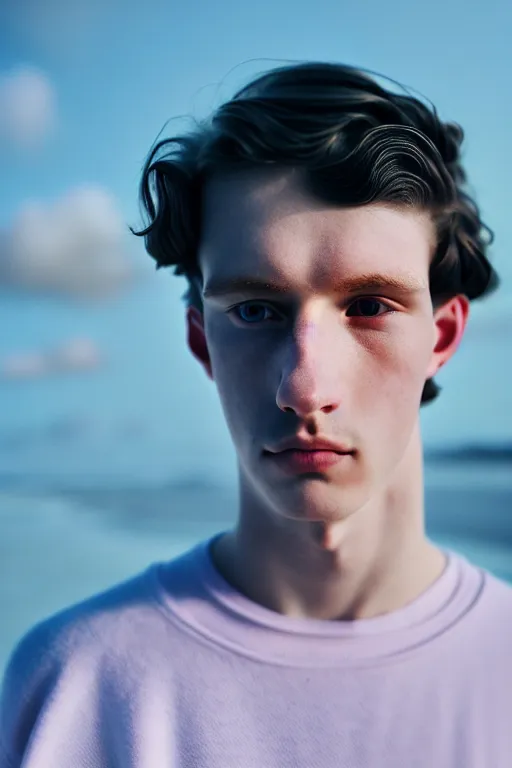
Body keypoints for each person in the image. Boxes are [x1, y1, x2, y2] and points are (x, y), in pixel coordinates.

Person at [1, 61, 511, 768]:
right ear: (201, 340)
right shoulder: (73, 686)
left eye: (369, 307)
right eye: (255, 311)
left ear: (443, 337)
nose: (304, 388)